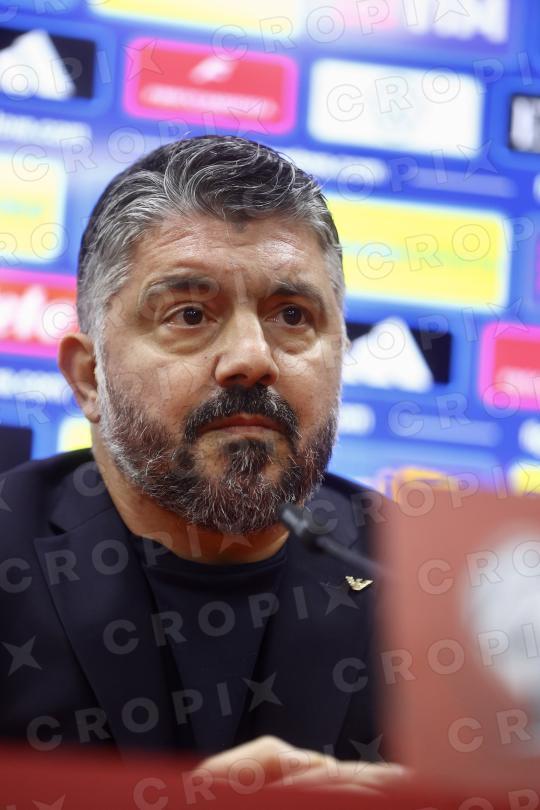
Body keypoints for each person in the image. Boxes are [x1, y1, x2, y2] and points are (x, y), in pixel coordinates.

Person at [0, 135, 400, 791]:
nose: (252, 358)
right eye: (190, 314)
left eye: (292, 314)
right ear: (90, 377)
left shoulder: (433, 588)